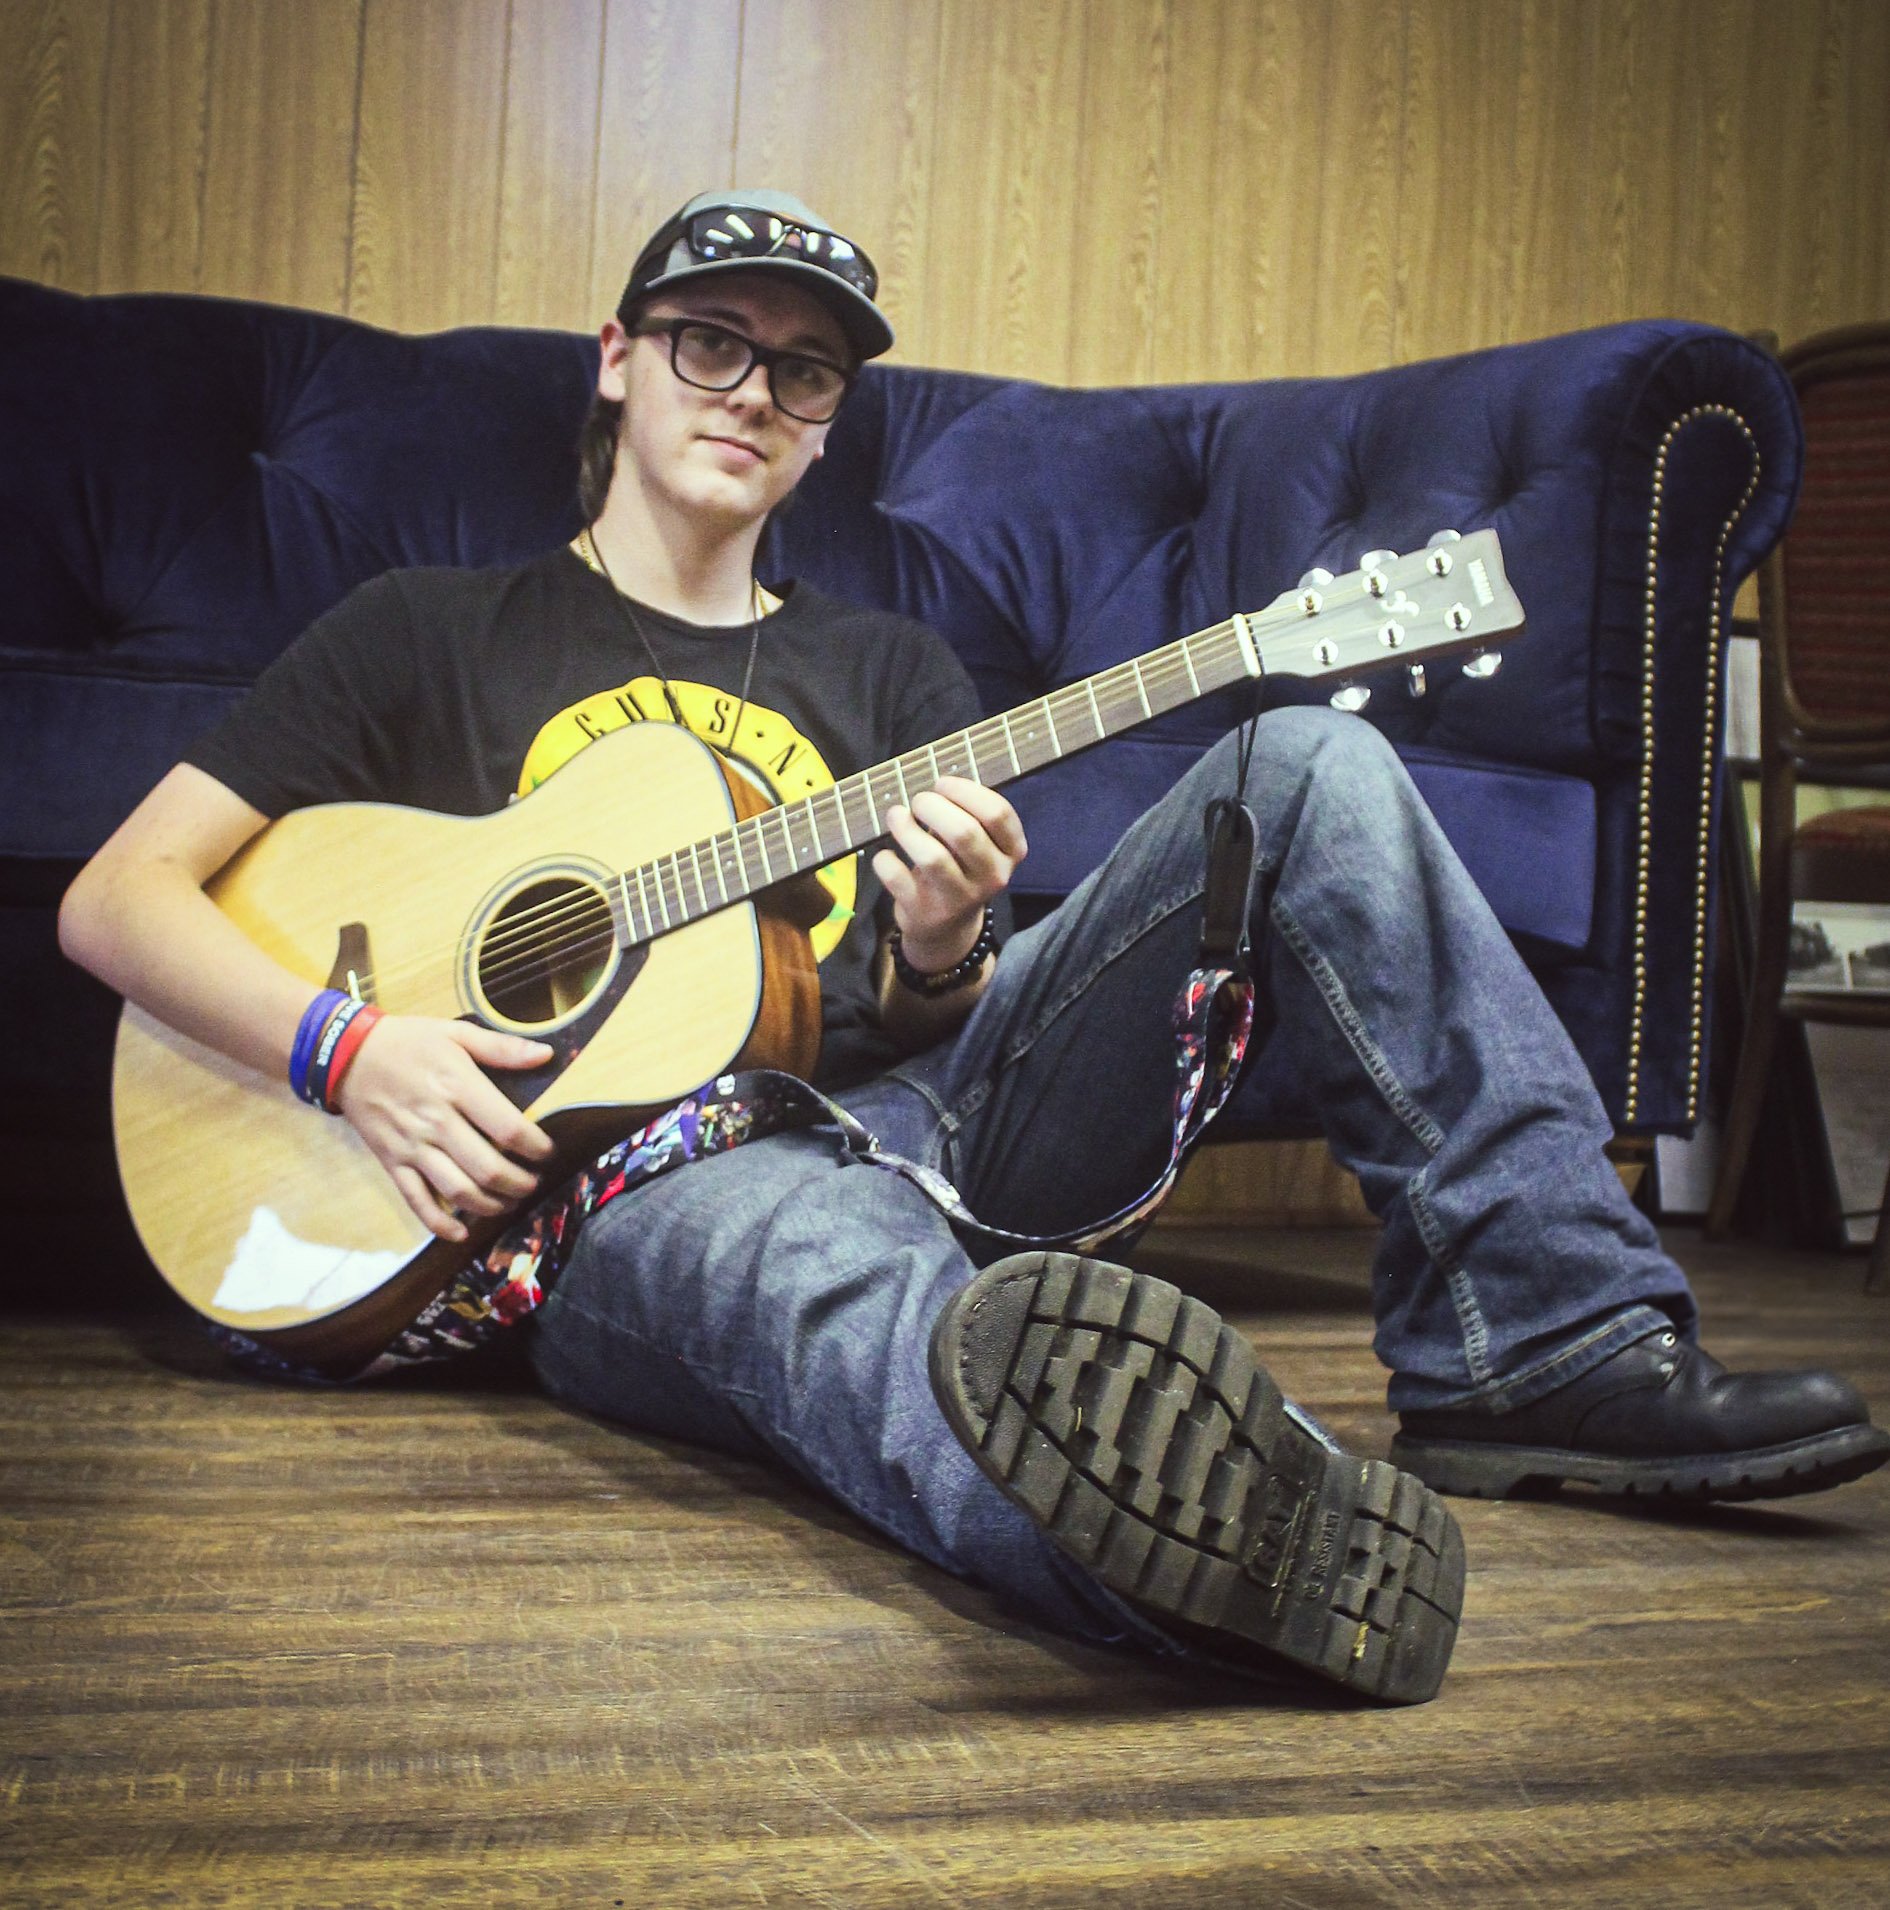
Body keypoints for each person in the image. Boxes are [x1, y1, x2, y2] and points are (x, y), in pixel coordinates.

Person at [59, 189, 1887, 1708]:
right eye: (710, 342)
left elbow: (952, 1022)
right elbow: (118, 899)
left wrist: (940, 949)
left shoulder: (892, 677)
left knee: (1311, 763)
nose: (753, 392)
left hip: (930, 1120)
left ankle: (1541, 1343)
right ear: (615, 359)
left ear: (830, 422)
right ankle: (1203, 1557)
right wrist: (350, 1049)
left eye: (803, 370)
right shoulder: (429, 632)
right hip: (618, 1189)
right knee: (814, 1255)